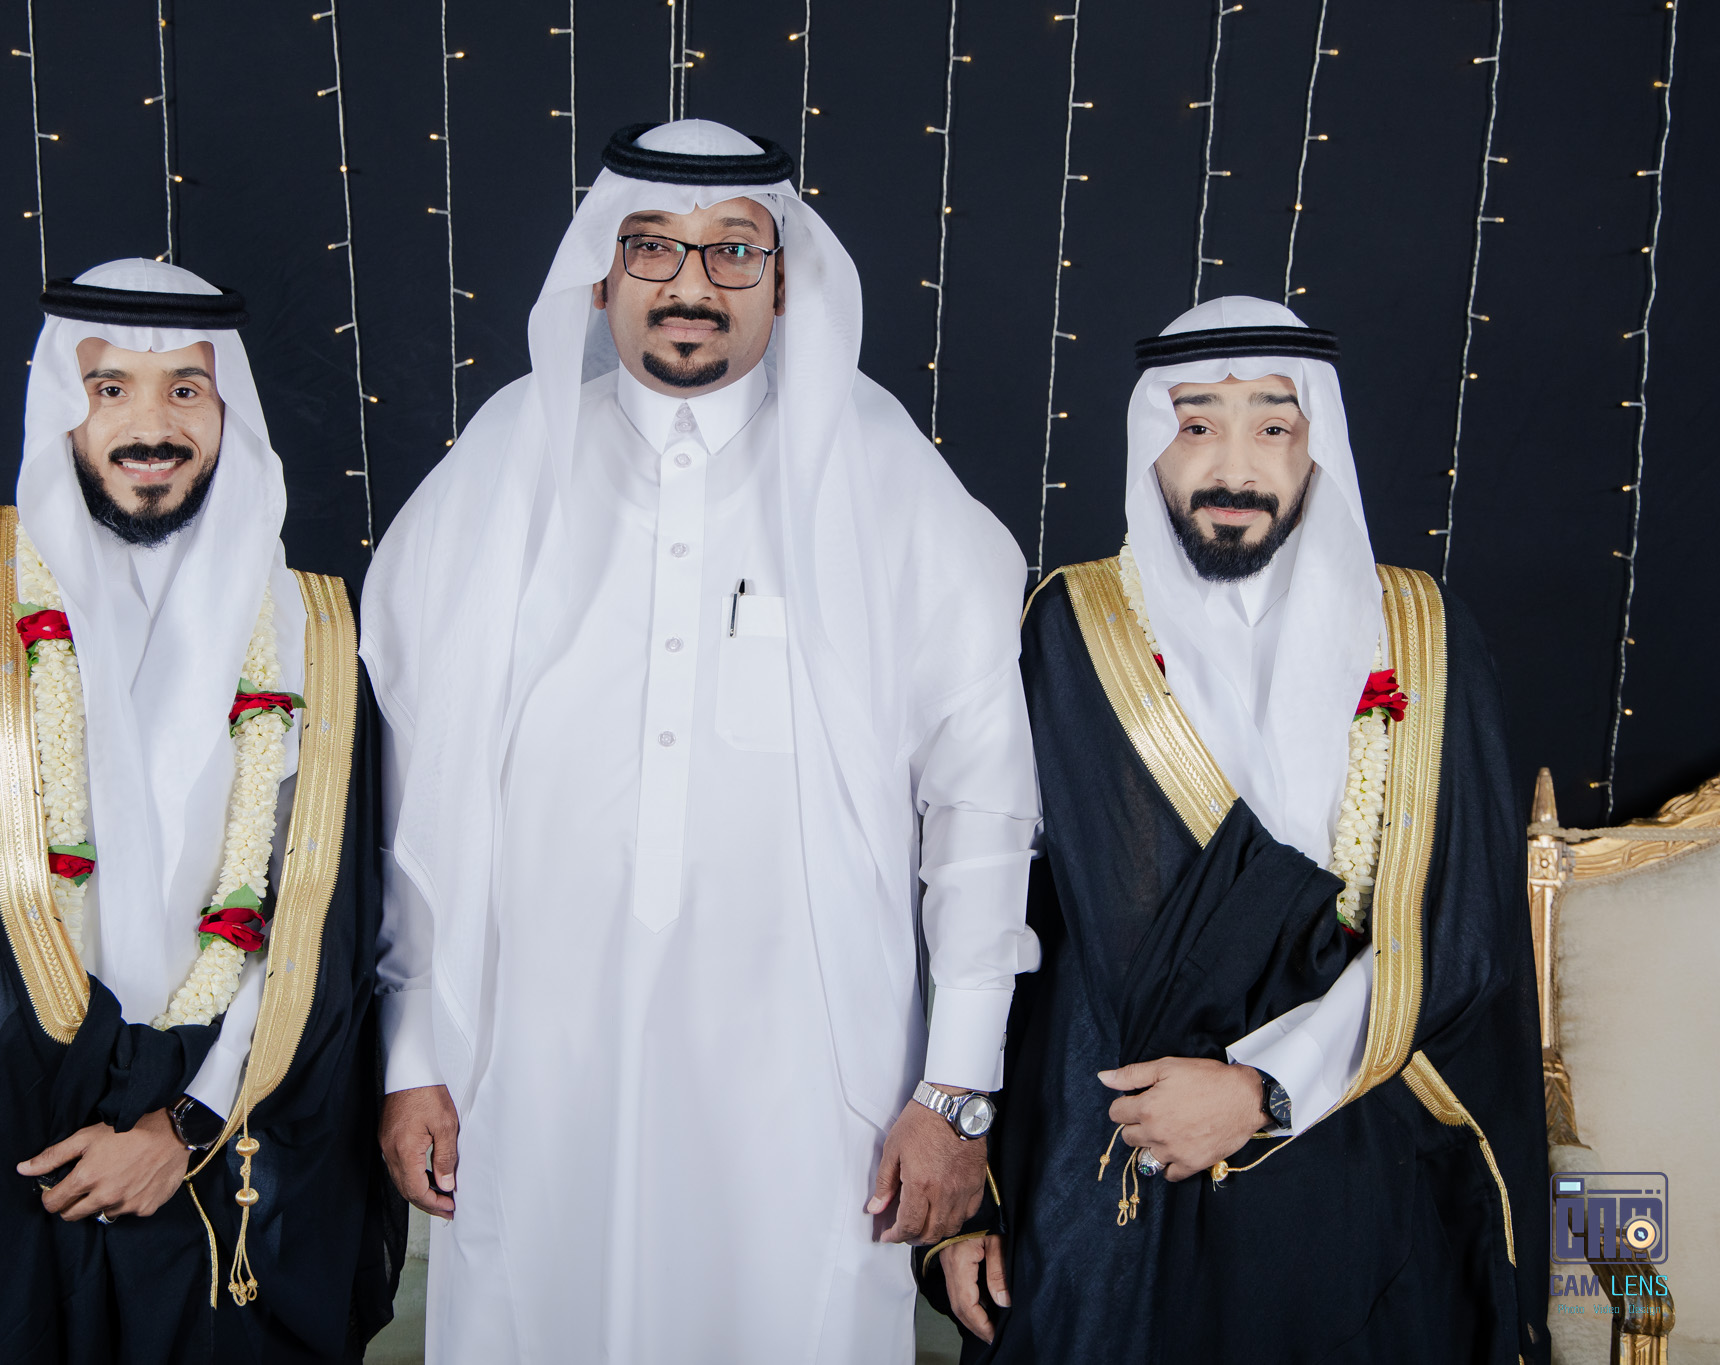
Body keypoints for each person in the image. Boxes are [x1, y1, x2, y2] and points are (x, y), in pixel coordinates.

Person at [361, 120, 1039, 1363]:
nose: (690, 284)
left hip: (814, 1093)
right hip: (532, 1075)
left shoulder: (883, 477)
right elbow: (409, 795)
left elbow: (981, 808)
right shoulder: (506, 464)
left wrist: (955, 1090)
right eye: (650, 247)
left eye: (733, 250)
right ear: (599, 276)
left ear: (784, 280)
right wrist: (410, 1058)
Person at [0, 259, 398, 1364]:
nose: (151, 427)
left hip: (214, 1161)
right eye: (111, 389)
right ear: (64, 402)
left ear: (228, 411)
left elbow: (321, 934)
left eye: (185, 389)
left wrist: (186, 1124)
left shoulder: (316, 640)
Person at [926, 297, 1550, 1363]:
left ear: (1315, 445)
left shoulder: (1420, 631)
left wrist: (1264, 1090)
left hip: (1353, 1127)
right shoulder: (1072, 626)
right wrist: (974, 1193)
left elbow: (1459, 930)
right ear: (1151, 443)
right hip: (1108, 1140)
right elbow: (1006, 920)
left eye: (1272, 425)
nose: (1233, 466)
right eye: (1196, 424)